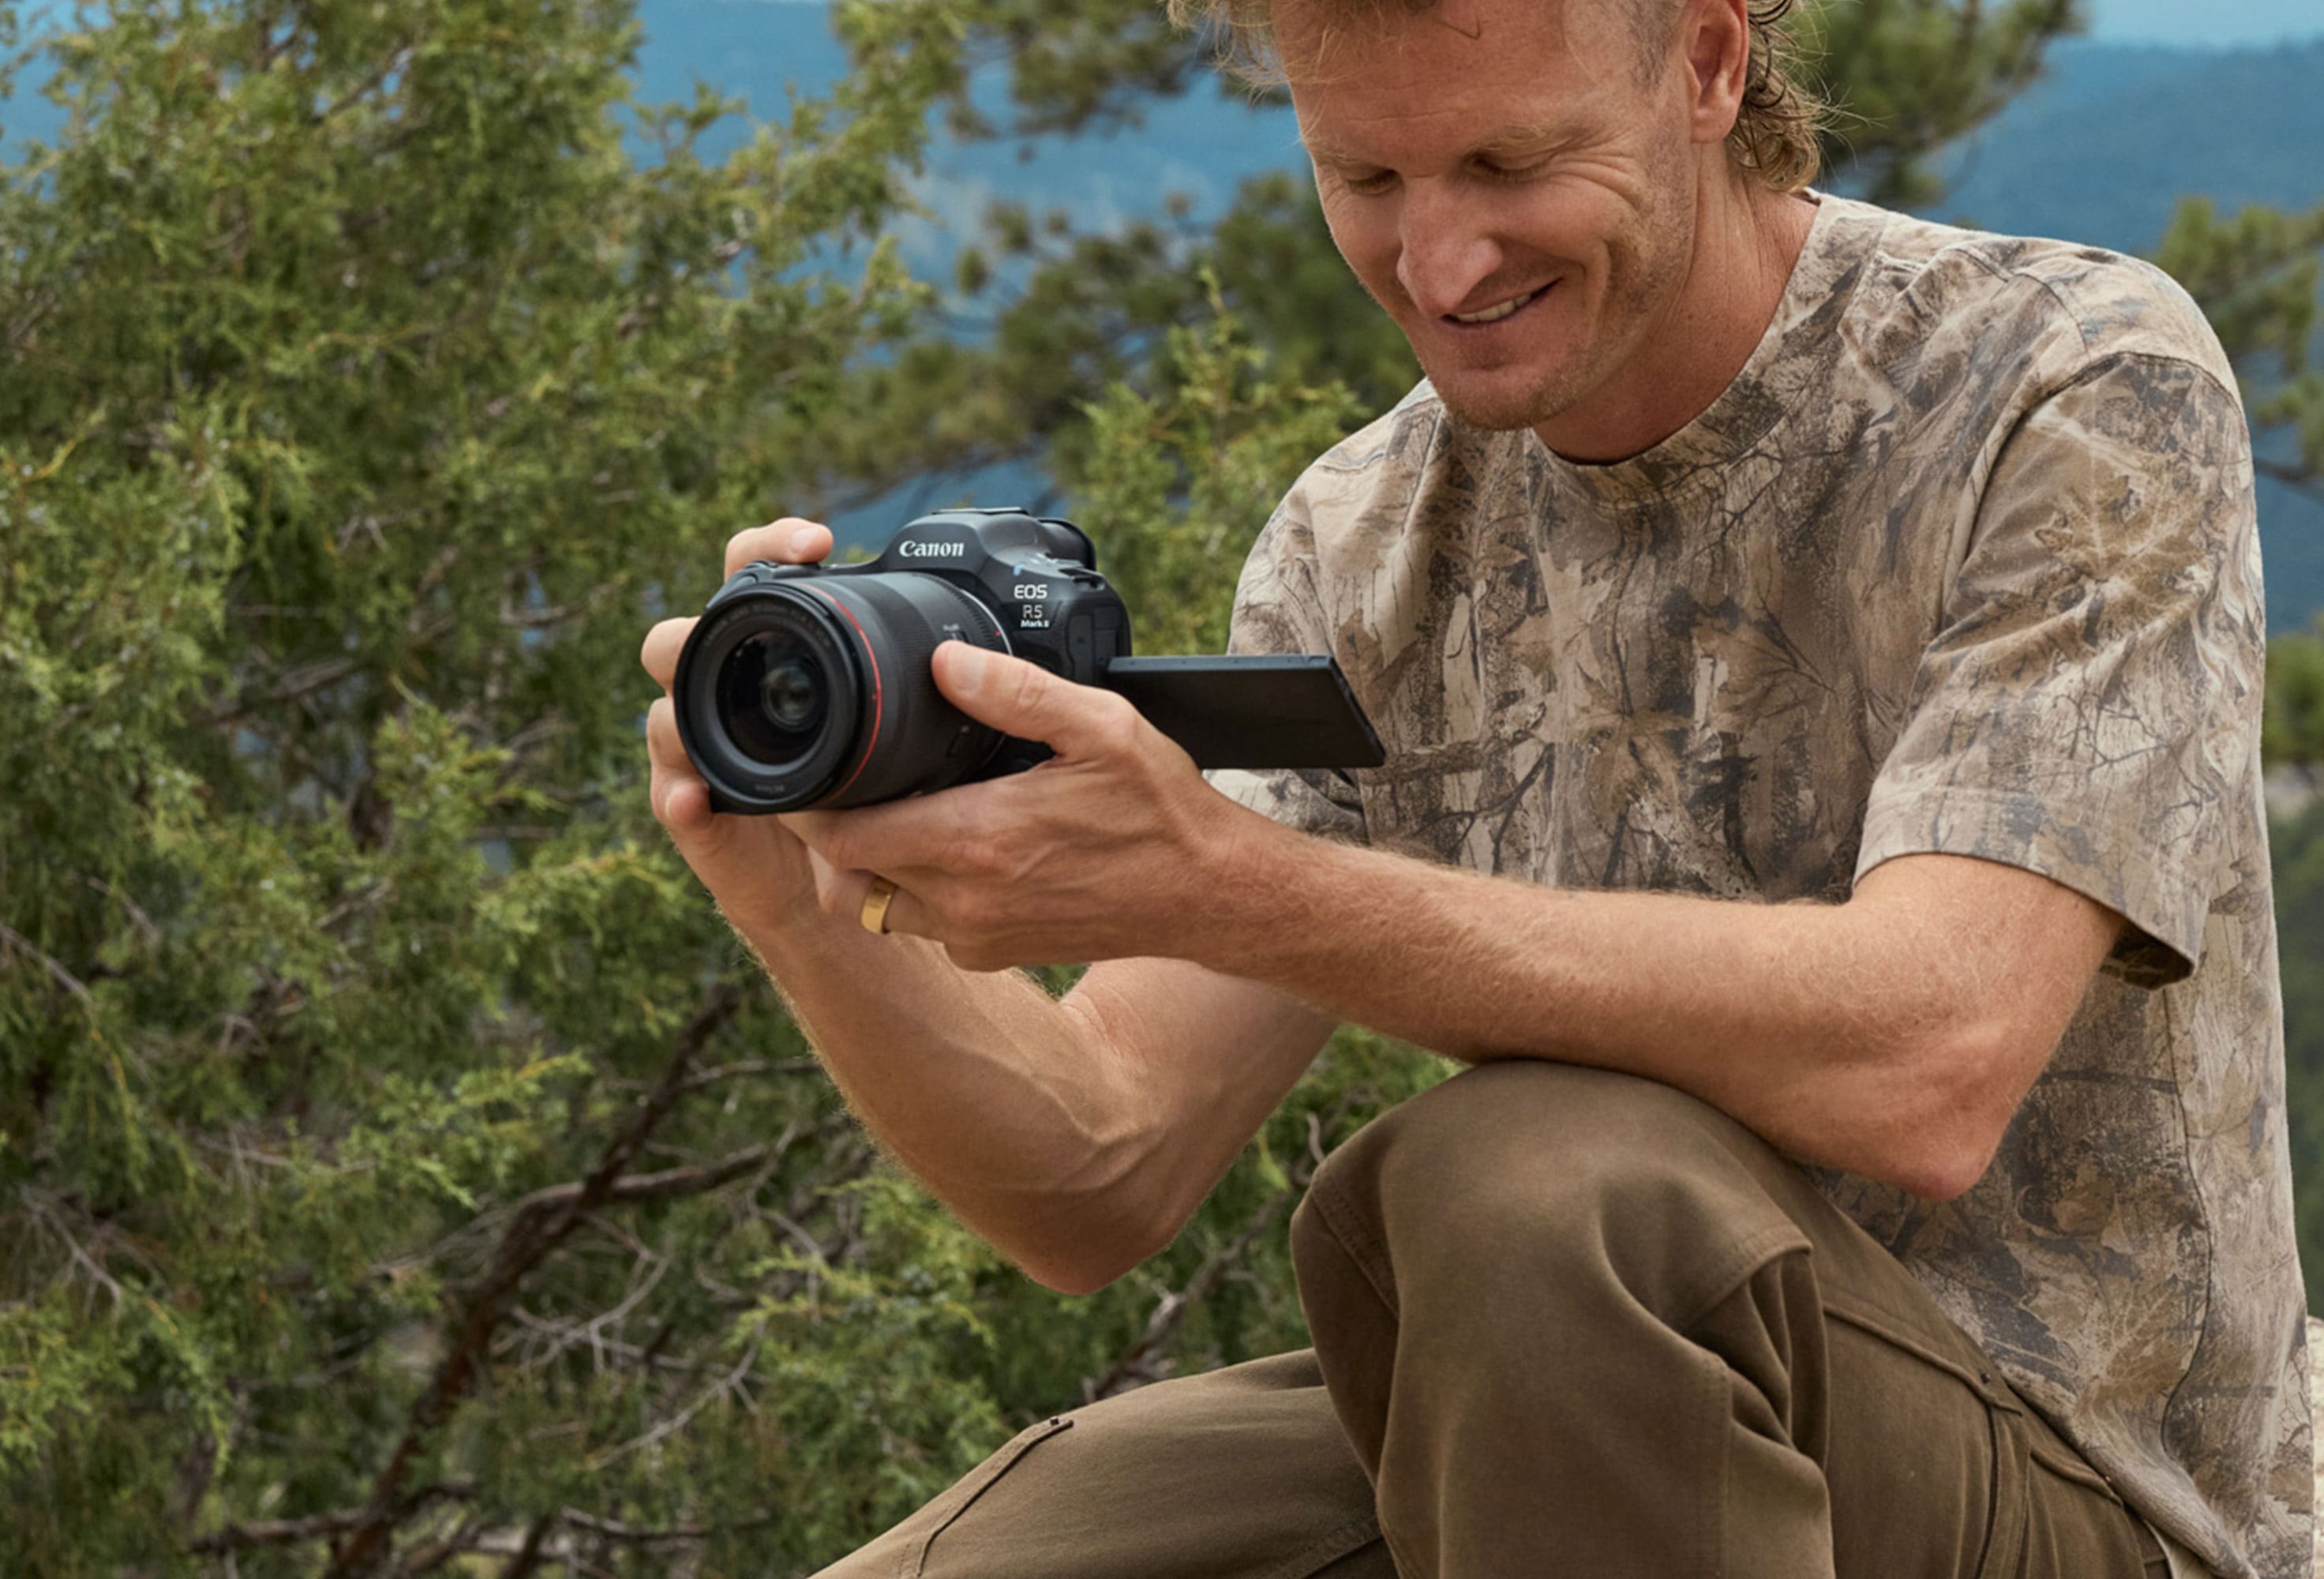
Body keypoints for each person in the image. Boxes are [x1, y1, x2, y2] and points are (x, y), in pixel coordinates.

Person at [637, 0, 2311, 1572]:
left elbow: (1930, 1062)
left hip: (2073, 1483)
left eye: (1511, 163)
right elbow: (1096, 1165)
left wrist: (1230, 883)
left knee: (1539, 1178)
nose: (1436, 264)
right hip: (1567, 1404)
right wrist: (805, 896)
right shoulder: (1364, 538)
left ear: (1709, 62)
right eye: (1365, 179)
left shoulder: (2064, 380)